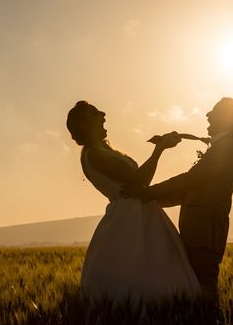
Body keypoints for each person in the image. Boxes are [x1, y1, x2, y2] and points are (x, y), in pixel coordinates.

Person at [66, 100, 201, 304]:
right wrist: (160, 149)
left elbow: (138, 181)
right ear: (85, 124)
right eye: (95, 113)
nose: (103, 114)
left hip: (133, 211)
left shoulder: (100, 152)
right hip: (130, 214)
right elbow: (139, 180)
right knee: (147, 269)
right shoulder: (94, 154)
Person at [124, 97, 233, 306]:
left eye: (214, 111)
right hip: (200, 232)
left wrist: (146, 194)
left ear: (227, 118)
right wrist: (151, 200)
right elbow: (190, 190)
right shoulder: (222, 147)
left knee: (204, 289)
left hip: (206, 233)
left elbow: (190, 180)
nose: (208, 115)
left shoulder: (226, 148)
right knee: (197, 290)